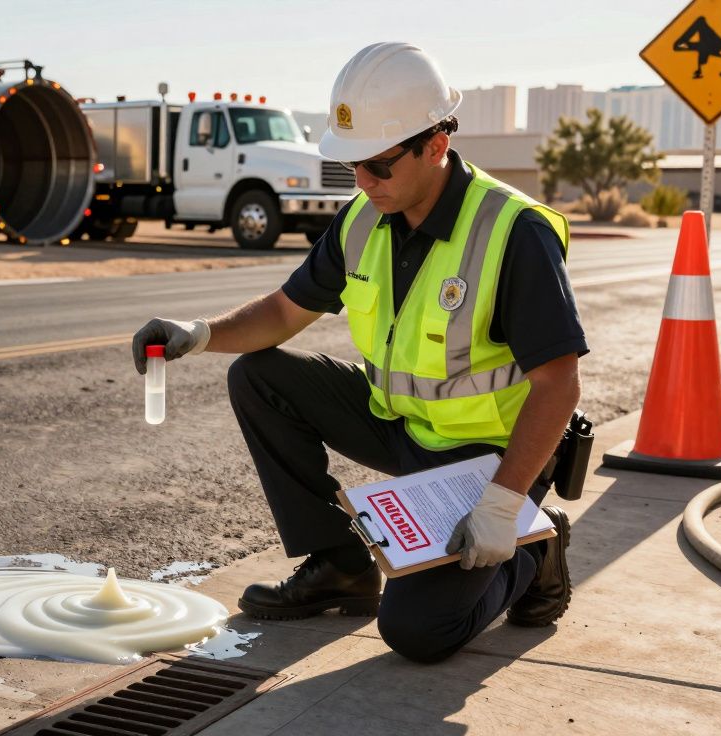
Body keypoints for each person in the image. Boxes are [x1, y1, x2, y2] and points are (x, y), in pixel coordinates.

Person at [130, 42, 587, 664]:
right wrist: (200, 332)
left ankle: (535, 549)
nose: (363, 182)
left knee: (418, 632)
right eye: (352, 167)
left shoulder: (514, 232)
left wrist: (504, 505)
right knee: (258, 376)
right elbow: (284, 314)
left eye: (377, 165)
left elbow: (558, 385)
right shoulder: (363, 217)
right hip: (398, 426)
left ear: (435, 144)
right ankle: (340, 567)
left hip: (488, 456)